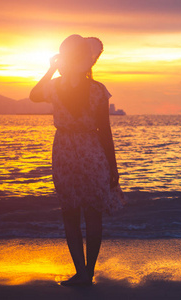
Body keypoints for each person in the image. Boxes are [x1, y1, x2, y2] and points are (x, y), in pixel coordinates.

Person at [30, 34, 124, 286]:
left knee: (70, 214)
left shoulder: (56, 86)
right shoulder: (97, 89)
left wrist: (50, 68)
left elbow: (34, 95)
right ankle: (87, 273)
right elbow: (104, 131)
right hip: (91, 151)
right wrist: (113, 167)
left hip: (64, 151)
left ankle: (81, 272)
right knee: (93, 215)